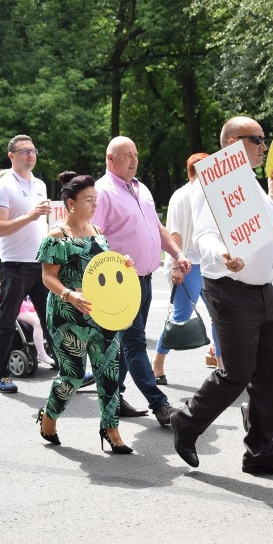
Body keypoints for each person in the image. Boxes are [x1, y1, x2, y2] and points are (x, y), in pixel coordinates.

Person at [170, 116, 273, 475]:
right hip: (229, 290)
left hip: (260, 292)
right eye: (256, 139)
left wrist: (271, 288)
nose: (264, 145)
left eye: (263, 139)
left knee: (270, 375)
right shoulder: (210, 183)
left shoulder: (252, 186)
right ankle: (186, 421)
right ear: (232, 143)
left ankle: (260, 454)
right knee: (237, 373)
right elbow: (204, 236)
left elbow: (263, 241)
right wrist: (221, 256)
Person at [91, 136, 191, 427]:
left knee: (125, 345)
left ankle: (115, 397)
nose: (133, 160)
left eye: (135, 154)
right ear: (111, 159)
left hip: (145, 279)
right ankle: (160, 406)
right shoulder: (103, 191)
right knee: (135, 342)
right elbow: (94, 238)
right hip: (121, 283)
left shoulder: (140, 188)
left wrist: (176, 252)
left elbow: (157, 227)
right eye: (126, 155)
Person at [36, 172, 134, 453]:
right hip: (68, 316)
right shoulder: (57, 236)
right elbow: (47, 277)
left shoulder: (98, 233)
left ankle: (111, 428)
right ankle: (50, 416)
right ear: (70, 203)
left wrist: (123, 265)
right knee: (73, 376)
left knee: (109, 372)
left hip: (102, 315)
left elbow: (104, 269)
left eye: (96, 199)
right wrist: (69, 294)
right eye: (88, 200)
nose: (94, 205)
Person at [0, 135, 52, 393]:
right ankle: (0, 373)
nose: (30, 155)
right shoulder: (3, 186)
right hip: (14, 264)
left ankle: (69, 369)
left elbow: (43, 225)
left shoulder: (40, 185)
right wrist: (29, 216)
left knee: (52, 318)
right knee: (7, 318)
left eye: (33, 150)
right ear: (11, 155)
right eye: (24, 151)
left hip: (39, 263)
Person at [151, 153, 222, 384]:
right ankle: (158, 364)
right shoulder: (181, 196)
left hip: (209, 263)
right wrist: (176, 266)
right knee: (180, 317)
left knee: (218, 317)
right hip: (188, 264)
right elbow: (175, 233)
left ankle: (221, 366)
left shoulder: (211, 194)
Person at [0, 267, 55, 367]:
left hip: (22, 307)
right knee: (37, 322)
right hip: (16, 309)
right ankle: (41, 352)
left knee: (44, 317)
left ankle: (46, 346)